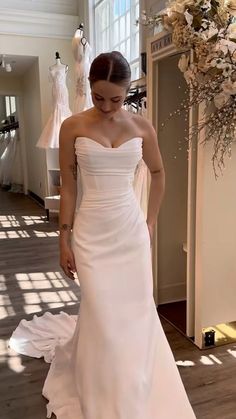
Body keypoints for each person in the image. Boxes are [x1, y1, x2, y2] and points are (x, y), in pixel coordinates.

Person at [52, 51, 196, 418]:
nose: (106, 106)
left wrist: (150, 221)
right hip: (91, 233)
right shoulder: (72, 126)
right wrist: (63, 238)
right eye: (98, 97)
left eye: (115, 98)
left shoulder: (142, 127)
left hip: (129, 231)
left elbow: (160, 173)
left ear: (128, 90)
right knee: (101, 314)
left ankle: (135, 384)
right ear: (90, 88)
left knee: (133, 314)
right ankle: (100, 388)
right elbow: (68, 188)